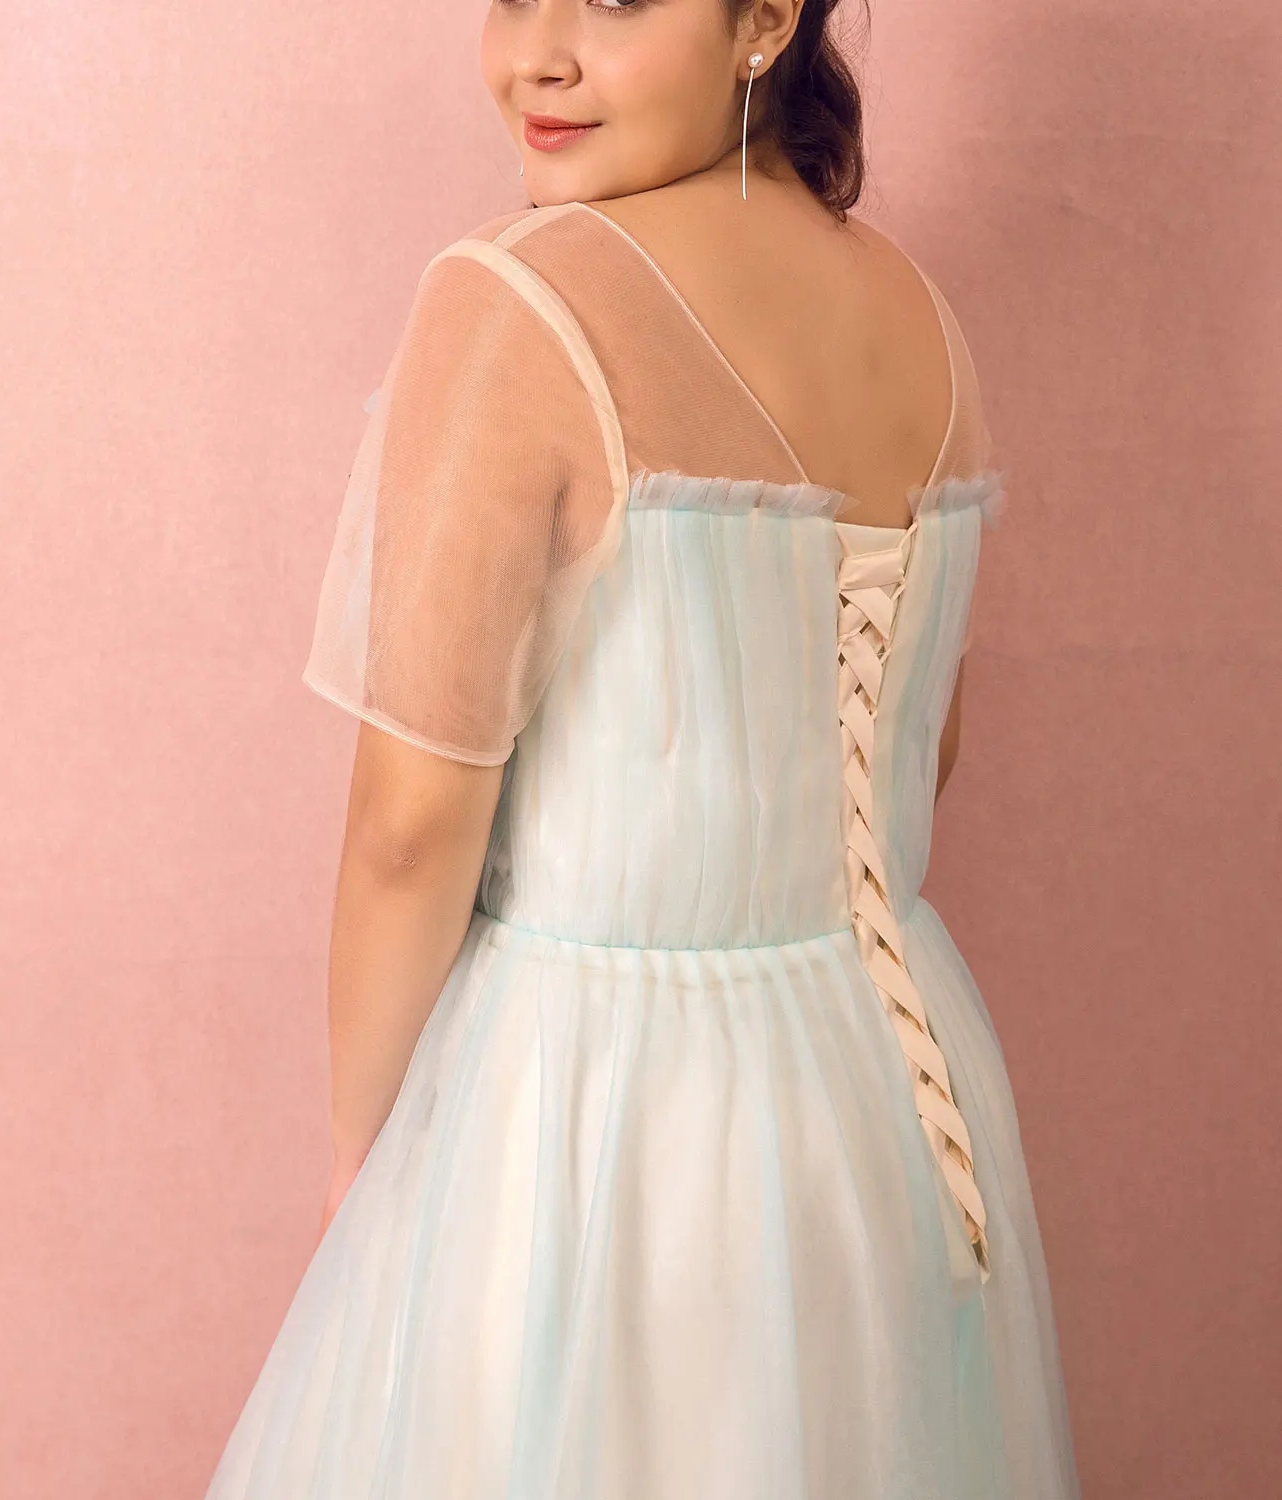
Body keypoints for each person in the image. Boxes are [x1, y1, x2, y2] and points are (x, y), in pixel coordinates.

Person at [204, 1, 1082, 1495]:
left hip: (600, 1115)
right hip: (892, 1102)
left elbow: (410, 827)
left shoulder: (522, 299)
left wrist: (372, 1160)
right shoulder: (918, 316)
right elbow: (920, 765)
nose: (536, 55)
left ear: (764, 18)